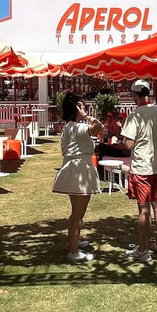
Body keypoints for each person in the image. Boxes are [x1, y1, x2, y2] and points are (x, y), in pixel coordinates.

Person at [120, 79, 157, 263]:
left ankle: (143, 249)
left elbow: (129, 144)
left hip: (142, 167)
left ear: (134, 95)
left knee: (143, 209)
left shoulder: (134, 116)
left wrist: (123, 140)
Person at [51, 92, 103, 262]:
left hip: (75, 168)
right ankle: (73, 251)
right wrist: (86, 116)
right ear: (77, 109)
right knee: (78, 214)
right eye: (82, 106)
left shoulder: (69, 127)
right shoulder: (77, 127)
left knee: (76, 213)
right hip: (79, 170)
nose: (85, 108)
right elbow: (98, 127)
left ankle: (73, 242)